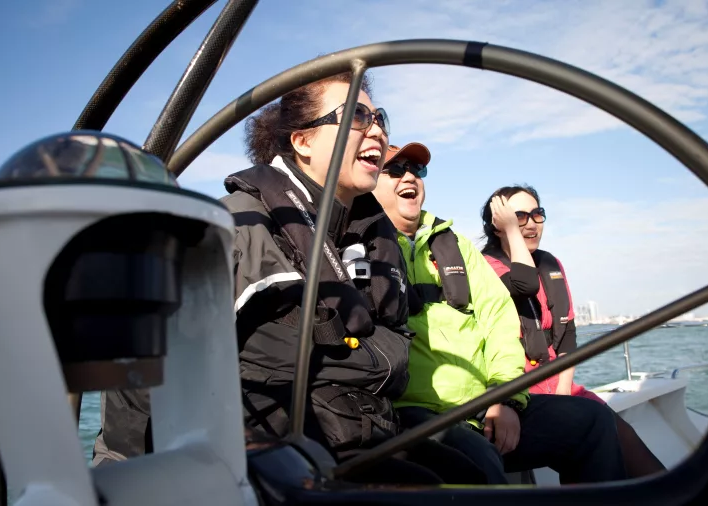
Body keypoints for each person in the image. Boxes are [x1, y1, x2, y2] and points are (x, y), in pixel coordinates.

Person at [92, 72, 487, 486]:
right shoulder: (238, 227)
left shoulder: (369, 235)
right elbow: (140, 373)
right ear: (303, 142)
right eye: (355, 115)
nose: (376, 131)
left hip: (364, 430)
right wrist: (133, 478)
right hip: (271, 456)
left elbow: (393, 354)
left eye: (379, 117)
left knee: (472, 475)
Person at [371, 142, 629, 485]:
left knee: (592, 422)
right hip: (413, 413)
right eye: (396, 169)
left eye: (417, 170)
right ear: (370, 179)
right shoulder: (359, 245)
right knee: (476, 459)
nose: (410, 176)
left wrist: (504, 400)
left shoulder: (454, 246)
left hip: (485, 404)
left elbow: (500, 322)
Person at [480, 185, 666, 478]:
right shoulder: (484, 268)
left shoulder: (551, 264)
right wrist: (512, 233)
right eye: (518, 217)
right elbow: (523, 284)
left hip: (558, 379)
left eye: (536, 214)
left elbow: (567, 333)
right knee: (587, 435)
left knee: (621, 435)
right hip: (516, 385)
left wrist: (564, 389)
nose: (529, 223)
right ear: (499, 224)